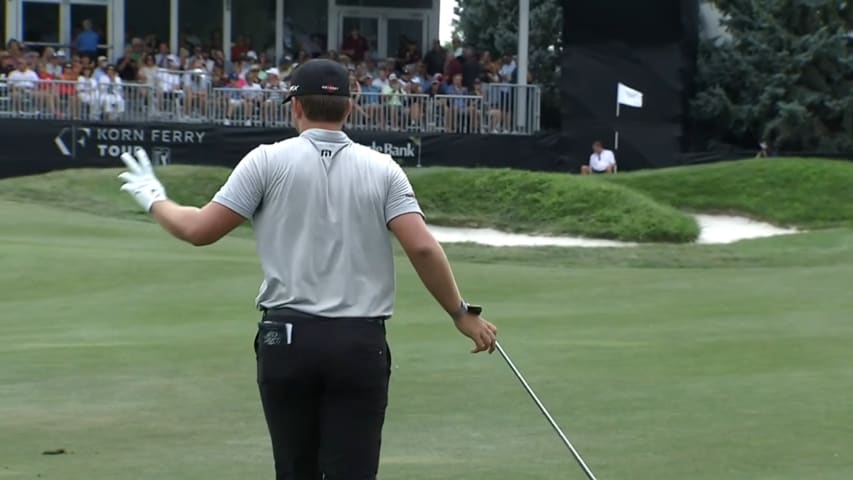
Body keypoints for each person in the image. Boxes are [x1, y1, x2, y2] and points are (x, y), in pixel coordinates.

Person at [115, 58, 497, 480]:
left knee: (296, 470)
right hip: (359, 343)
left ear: (295, 107)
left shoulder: (265, 161)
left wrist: (154, 197)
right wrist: (460, 313)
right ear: (349, 109)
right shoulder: (384, 169)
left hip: (286, 341)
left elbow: (198, 230)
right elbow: (423, 249)